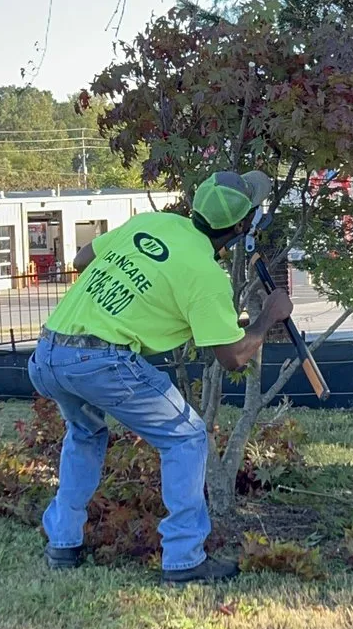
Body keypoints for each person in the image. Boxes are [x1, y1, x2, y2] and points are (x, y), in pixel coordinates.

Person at [28, 170, 293, 584]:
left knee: (84, 434)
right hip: (101, 362)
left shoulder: (153, 223)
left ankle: (62, 542)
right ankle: (185, 559)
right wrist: (268, 318)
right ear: (242, 227)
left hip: (47, 354)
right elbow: (232, 357)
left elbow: (81, 260)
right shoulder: (206, 275)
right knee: (187, 436)